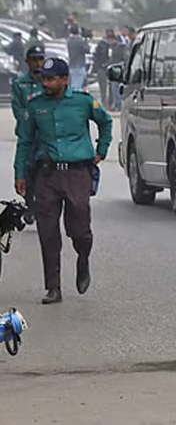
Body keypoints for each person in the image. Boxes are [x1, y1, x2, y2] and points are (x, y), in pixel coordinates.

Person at [13, 57, 113, 304]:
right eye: (43, 79)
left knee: (80, 230)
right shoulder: (35, 105)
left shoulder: (82, 101)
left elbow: (105, 121)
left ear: (64, 79)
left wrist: (102, 149)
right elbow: (25, 141)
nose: (45, 83)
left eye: (51, 79)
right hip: (46, 175)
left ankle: (83, 258)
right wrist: (20, 174)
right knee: (47, 232)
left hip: (77, 173)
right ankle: (53, 287)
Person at [10, 44, 48, 225]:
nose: (38, 63)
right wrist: (28, 123)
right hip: (28, 135)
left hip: (45, 135)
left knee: (45, 172)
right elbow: (18, 109)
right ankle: (30, 205)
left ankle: (43, 206)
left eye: (41, 59)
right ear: (27, 61)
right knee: (27, 170)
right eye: (34, 60)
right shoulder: (19, 83)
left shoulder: (48, 82)